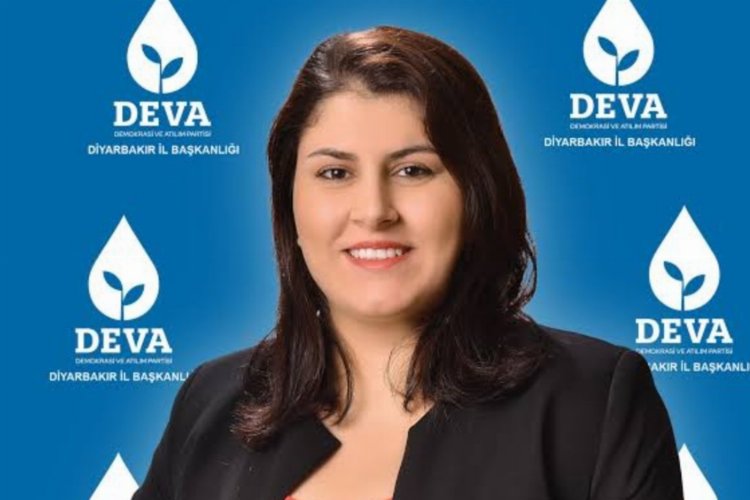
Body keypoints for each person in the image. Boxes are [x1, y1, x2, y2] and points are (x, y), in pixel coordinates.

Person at [132, 26, 683, 500]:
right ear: (289, 204)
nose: (374, 211)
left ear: (477, 194)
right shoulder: (213, 402)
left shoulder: (594, 402)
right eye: (334, 173)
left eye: (413, 171)